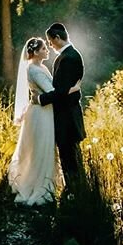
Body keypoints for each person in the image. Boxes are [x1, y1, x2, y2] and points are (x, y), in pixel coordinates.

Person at [8, 36, 80, 205]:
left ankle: (46, 181)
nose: (47, 50)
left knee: (43, 147)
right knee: (42, 148)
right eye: (43, 49)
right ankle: (40, 184)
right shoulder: (33, 69)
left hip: (44, 111)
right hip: (40, 114)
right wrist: (73, 88)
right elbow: (51, 91)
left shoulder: (40, 66)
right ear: (35, 52)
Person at [32, 22, 86, 190]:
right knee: (70, 156)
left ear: (57, 38)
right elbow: (65, 89)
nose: (49, 45)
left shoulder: (68, 58)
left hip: (67, 116)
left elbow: (61, 91)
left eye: (49, 41)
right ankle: (77, 189)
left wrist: (40, 99)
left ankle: (74, 191)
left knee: (68, 156)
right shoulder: (69, 55)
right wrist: (70, 90)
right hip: (67, 114)